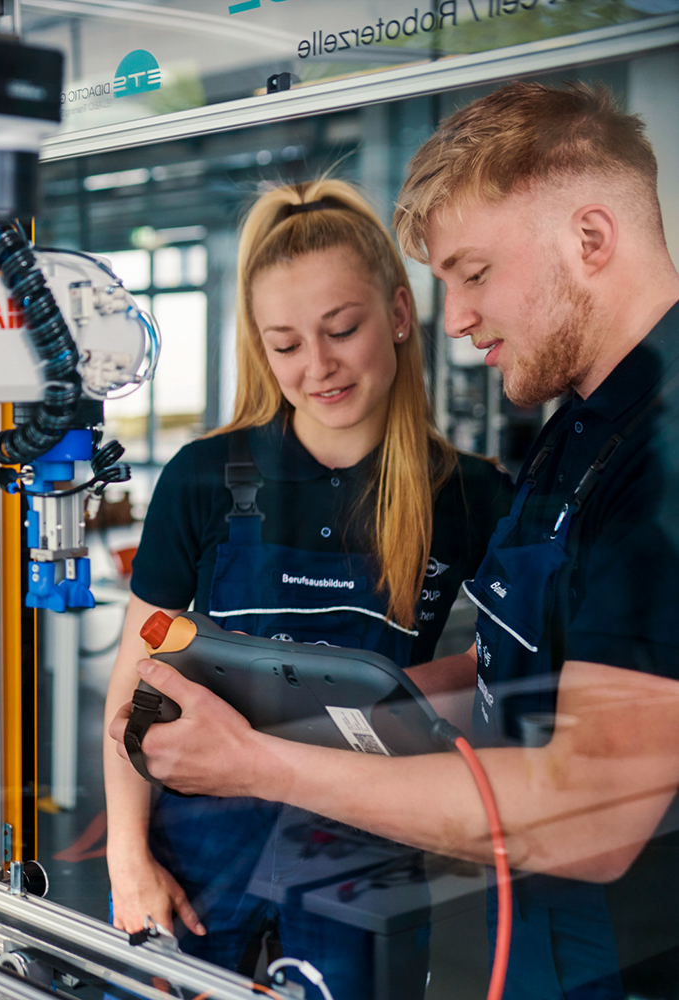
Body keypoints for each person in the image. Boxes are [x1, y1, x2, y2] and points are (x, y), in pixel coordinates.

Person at [111, 82, 679, 999]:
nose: (455, 317)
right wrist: (364, 692)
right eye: (285, 343)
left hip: (616, 953)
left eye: (474, 273)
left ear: (590, 238)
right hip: (527, 931)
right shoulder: (572, 435)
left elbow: (591, 820)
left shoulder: (652, 460)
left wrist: (264, 756)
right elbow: (523, 660)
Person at [102, 177, 515, 999]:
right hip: (200, 834)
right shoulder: (203, 480)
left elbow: (515, 665)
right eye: (285, 344)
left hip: (363, 841)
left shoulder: (469, 497)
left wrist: (415, 696)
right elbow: (135, 677)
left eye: (342, 329)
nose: (317, 367)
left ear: (400, 315)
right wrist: (127, 857)